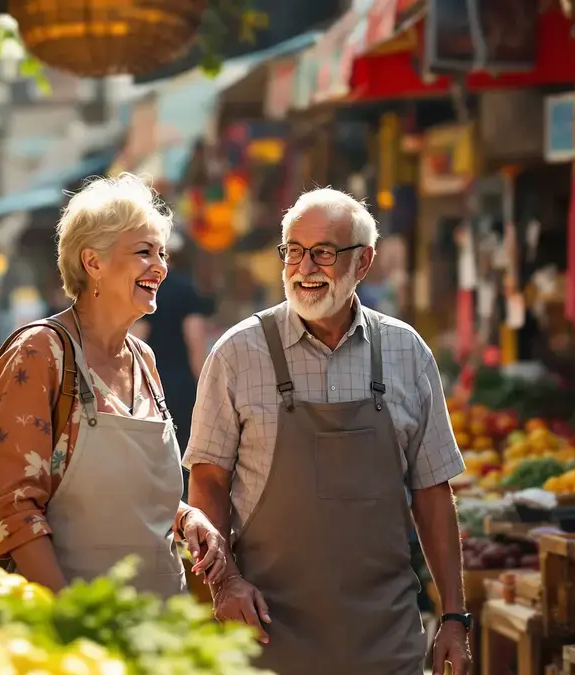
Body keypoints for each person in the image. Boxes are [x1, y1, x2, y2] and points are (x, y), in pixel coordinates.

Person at [184, 188, 472, 675]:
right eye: (293, 251)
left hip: (387, 640)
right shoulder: (236, 355)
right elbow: (207, 484)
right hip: (268, 636)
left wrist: (454, 618)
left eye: (323, 252)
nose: (304, 267)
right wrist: (225, 582)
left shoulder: (406, 352)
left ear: (363, 262)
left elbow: (432, 493)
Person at [0, 173, 226, 596]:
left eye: (161, 253)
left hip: (160, 623)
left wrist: (184, 518)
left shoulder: (144, 361)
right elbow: (9, 507)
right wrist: (72, 615)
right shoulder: (41, 353)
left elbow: (128, 500)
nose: (160, 266)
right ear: (93, 263)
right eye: (144, 252)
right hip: (74, 632)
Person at [132, 240, 212, 463]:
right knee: (185, 448)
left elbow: (138, 336)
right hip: (182, 380)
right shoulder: (187, 289)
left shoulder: (147, 290)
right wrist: (203, 383)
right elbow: (195, 337)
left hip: (153, 383)